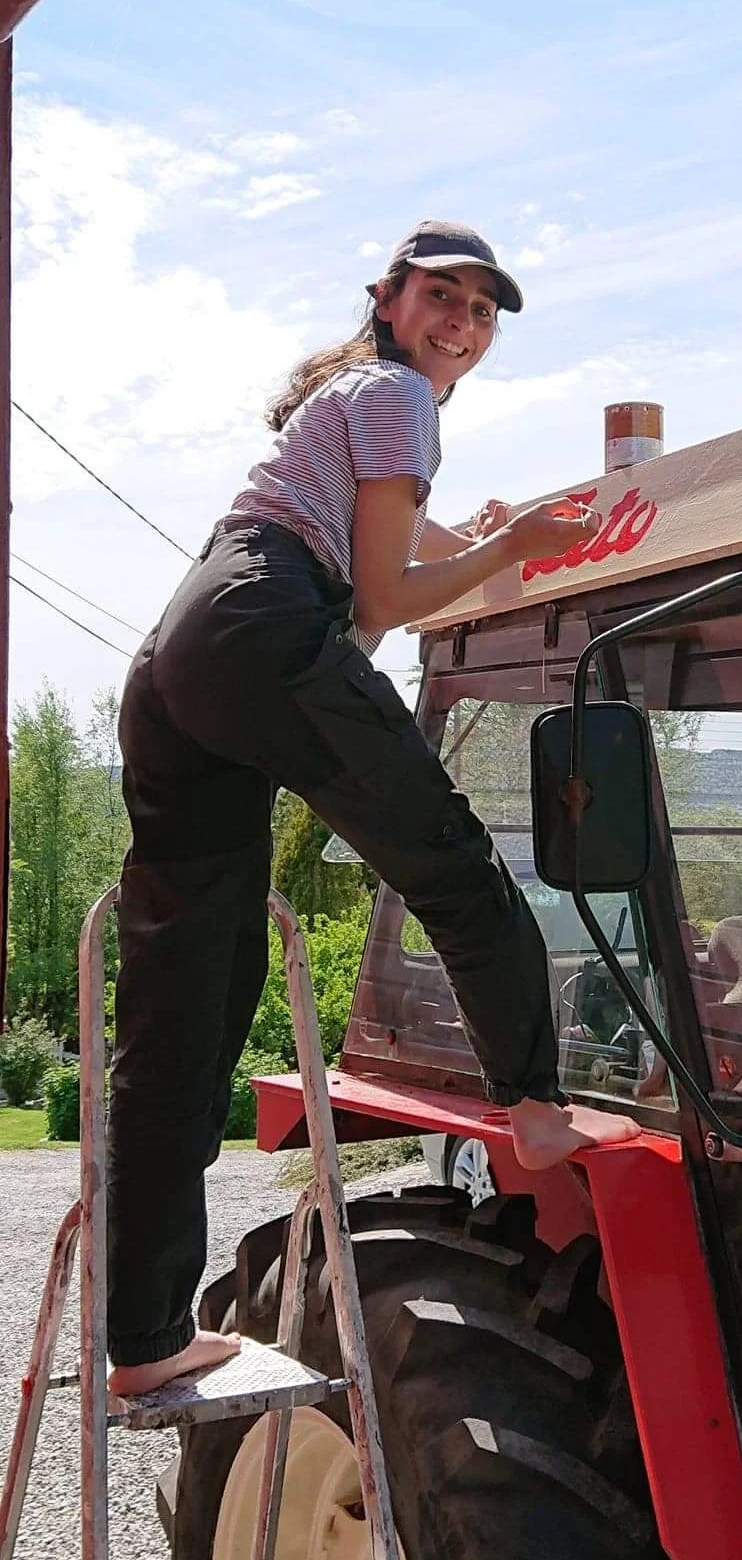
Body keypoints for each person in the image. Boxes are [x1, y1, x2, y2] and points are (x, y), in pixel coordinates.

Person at [106, 220, 640, 1398]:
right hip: (265, 625)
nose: (462, 320)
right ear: (391, 300)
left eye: (482, 308)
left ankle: (144, 1338)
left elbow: (422, 554)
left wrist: (505, 540)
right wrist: (521, 540)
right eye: (442, 295)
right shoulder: (400, 394)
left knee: (188, 993)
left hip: (181, 650)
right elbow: (393, 594)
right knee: (457, 866)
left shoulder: (352, 403)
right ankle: (537, 1107)